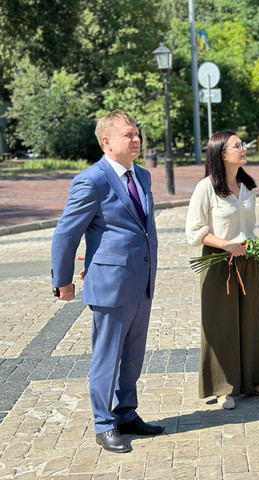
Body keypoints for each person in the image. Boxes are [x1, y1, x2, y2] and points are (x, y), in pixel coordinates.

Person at [51, 110, 162, 454]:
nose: (136, 139)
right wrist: (63, 280)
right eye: (128, 134)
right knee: (107, 357)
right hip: (111, 285)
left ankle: (126, 412)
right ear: (107, 141)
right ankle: (104, 423)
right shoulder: (92, 180)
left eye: (137, 133)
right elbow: (67, 233)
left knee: (132, 355)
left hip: (141, 279)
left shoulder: (141, 175)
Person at [185, 131, 259, 410]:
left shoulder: (247, 186)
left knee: (251, 321)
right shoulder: (206, 187)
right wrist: (225, 244)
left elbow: (247, 227)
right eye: (237, 145)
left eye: (242, 144)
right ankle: (225, 387)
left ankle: (254, 382)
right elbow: (194, 231)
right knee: (221, 324)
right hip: (218, 263)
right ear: (221, 154)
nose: (243, 148)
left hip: (249, 260)